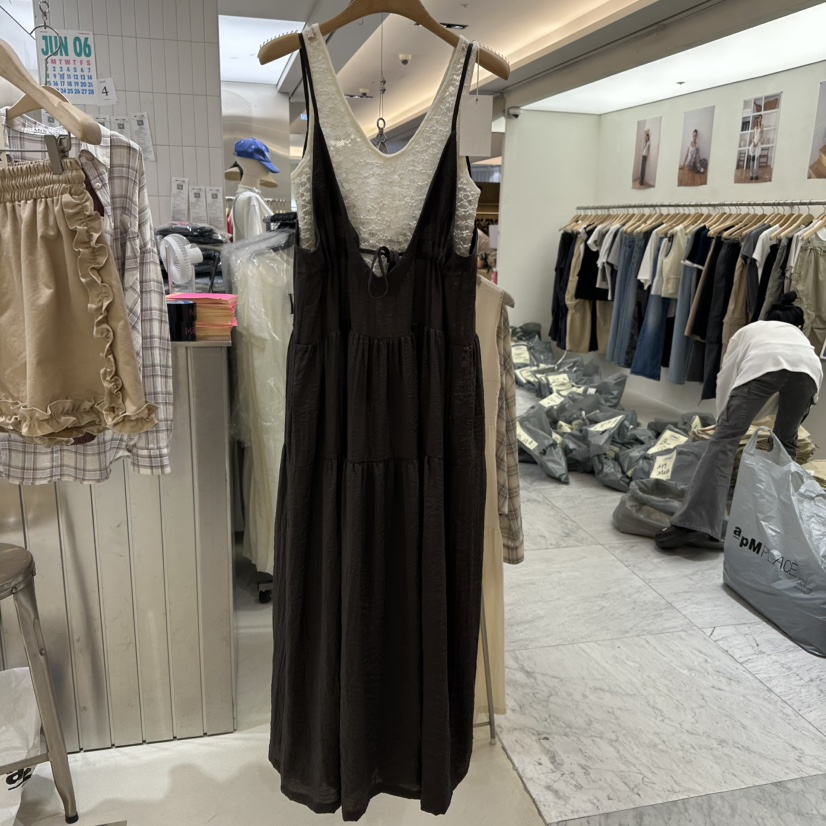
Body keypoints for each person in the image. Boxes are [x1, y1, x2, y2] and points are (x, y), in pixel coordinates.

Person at [656, 292, 823, 551]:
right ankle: (778, 523)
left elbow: (728, 373)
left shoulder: (752, 329)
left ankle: (693, 524)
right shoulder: (801, 338)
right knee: (785, 444)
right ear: (798, 324)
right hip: (809, 371)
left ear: (768, 318)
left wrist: (723, 420)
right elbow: (796, 382)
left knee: (724, 443)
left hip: (763, 365)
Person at [746, 115, 763, 181]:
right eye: (759, 118)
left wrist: (757, 143)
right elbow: (752, 136)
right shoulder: (755, 127)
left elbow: (761, 136)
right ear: (757, 119)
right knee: (752, 159)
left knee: (757, 159)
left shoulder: (762, 126)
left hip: (758, 144)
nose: (760, 119)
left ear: (761, 119)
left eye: (761, 118)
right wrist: (753, 142)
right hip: (754, 143)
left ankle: (756, 175)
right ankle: (751, 174)